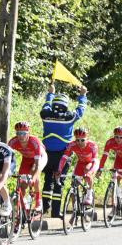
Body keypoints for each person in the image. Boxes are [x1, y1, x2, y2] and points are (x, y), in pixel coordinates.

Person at [40, 83, 88, 217]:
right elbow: (81, 110)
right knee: (59, 181)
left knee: (48, 180)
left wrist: (51, 93)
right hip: (63, 155)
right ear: (66, 105)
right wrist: (82, 95)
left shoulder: (45, 115)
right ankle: (56, 212)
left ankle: (44, 209)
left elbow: (47, 104)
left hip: (47, 153)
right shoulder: (69, 117)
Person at [7, 121, 48, 215]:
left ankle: (38, 200)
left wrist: (32, 179)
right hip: (26, 158)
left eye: (23, 133)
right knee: (22, 182)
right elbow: (7, 159)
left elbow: (37, 165)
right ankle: (22, 203)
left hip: (40, 158)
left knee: (33, 173)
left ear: (28, 133)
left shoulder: (34, 142)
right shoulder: (13, 142)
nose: (20, 136)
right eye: (18, 133)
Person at [55, 127, 99, 206]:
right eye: (77, 140)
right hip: (80, 163)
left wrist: (89, 172)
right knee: (74, 185)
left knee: (87, 172)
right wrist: (59, 170)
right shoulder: (72, 144)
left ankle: (89, 194)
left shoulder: (92, 146)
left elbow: (94, 161)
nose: (79, 142)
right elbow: (64, 157)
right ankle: (75, 209)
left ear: (87, 138)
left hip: (91, 163)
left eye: (82, 140)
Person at [96, 126, 122, 200]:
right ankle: (117, 196)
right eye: (116, 137)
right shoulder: (110, 142)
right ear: (114, 136)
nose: (118, 139)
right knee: (116, 175)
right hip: (119, 158)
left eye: (121, 137)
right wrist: (100, 168)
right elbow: (104, 156)